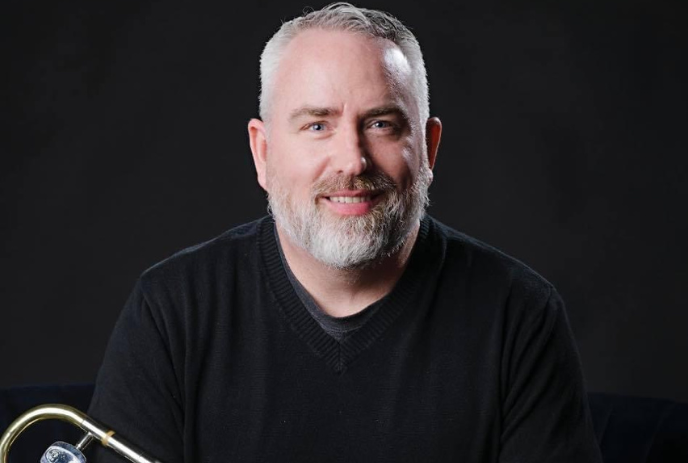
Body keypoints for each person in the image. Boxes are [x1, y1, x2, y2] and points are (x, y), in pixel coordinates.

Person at [88, 3, 603, 462]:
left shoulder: (520, 315)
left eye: (381, 124)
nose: (352, 160)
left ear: (429, 148)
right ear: (263, 153)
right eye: (317, 125)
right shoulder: (171, 309)